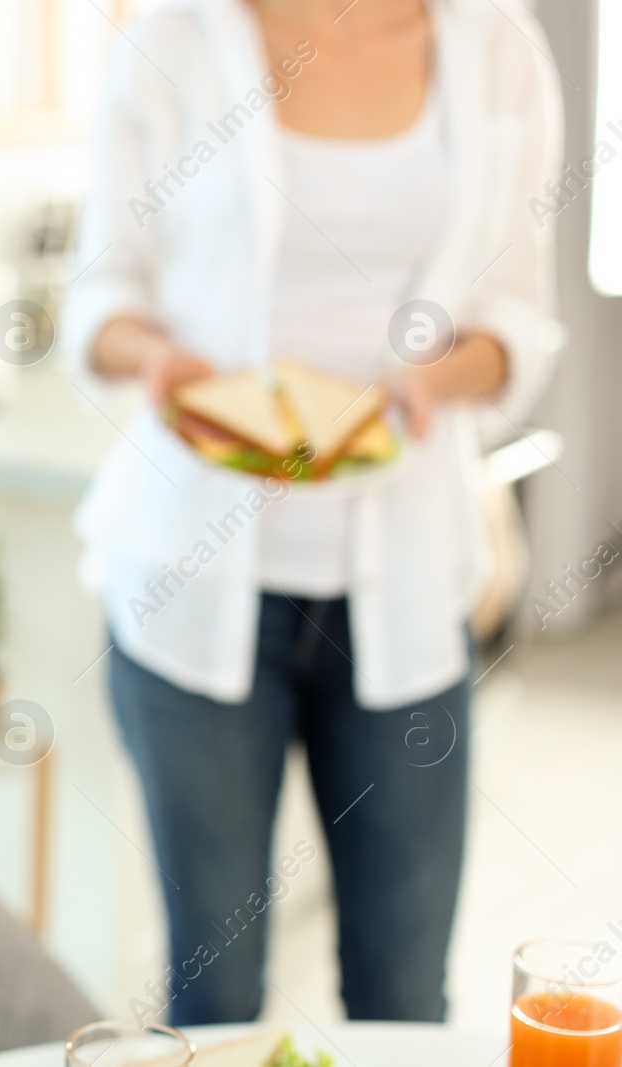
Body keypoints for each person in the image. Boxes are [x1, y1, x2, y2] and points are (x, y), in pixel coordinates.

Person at [59, 0, 563, 1024]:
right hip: (192, 588)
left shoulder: (497, 45)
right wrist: (159, 363)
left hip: (409, 590)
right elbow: (98, 296)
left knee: (402, 993)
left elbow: (518, 315)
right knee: (218, 993)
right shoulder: (172, 40)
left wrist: (434, 380)